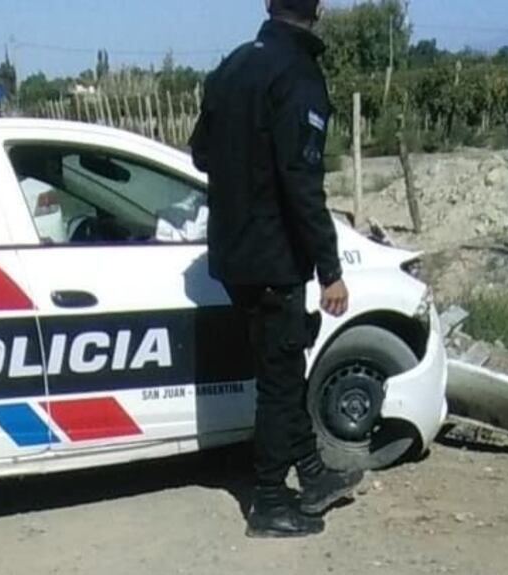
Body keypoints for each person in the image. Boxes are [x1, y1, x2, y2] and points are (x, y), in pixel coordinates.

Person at [190, 0, 364, 539]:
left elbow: (199, 153)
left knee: (281, 368)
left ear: (268, 4)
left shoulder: (233, 65)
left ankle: (311, 474)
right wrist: (329, 268)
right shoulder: (299, 75)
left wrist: (244, 173)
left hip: (231, 254)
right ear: (319, 8)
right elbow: (301, 181)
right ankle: (269, 502)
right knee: (280, 382)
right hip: (274, 257)